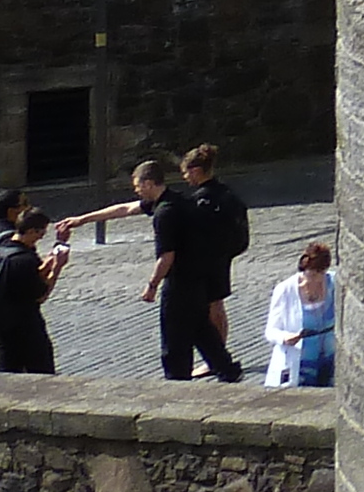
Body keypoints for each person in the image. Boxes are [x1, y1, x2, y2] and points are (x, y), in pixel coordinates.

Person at [64, 160, 240, 382]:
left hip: (180, 282)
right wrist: (82, 220)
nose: (136, 190)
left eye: (137, 186)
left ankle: (176, 379)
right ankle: (228, 370)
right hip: (199, 278)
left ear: (148, 183)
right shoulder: (175, 200)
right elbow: (125, 209)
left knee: (175, 337)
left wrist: (152, 286)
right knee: (200, 328)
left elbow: (167, 256)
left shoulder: (165, 213)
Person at [0, 200, 66, 376]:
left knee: (8, 373)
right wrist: (58, 267)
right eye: (40, 234)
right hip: (26, 329)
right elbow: (40, 296)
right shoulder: (24, 260)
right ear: (31, 231)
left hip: (2, 328)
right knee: (42, 375)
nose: (40, 238)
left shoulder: (1, 249)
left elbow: (31, 276)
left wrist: (49, 261)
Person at [180, 146, 250, 371]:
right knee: (216, 305)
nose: (185, 177)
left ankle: (216, 357)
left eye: (187, 172)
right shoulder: (226, 193)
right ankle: (217, 354)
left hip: (208, 261)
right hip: (222, 258)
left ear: (197, 170)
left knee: (212, 308)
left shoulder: (204, 199)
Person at [263, 243, 336, 387]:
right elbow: (270, 331)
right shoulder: (285, 290)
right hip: (300, 363)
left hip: (330, 360)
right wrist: (285, 337)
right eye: (312, 273)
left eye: (321, 273)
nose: (317, 278)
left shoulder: (334, 283)